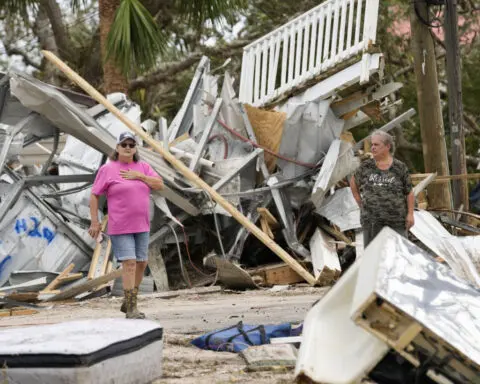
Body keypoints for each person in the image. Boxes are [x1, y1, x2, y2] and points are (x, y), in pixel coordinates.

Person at [88, 131, 164, 319]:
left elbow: (160, 184)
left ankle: (128, 301)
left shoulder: (143, 167)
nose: (128, 148)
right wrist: (95, 222)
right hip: (120, 225)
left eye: (131, 145)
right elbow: (94, 195)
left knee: (141, 263)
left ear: (135, 148)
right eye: (124, 145)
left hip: (142, 224)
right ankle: (131, 308)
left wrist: (140, 176)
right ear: (117, 147)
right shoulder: (108, 169)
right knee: (129, 263)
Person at [350, 130, 414, 247]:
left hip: (396, 221)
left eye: (376, 145)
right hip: (371, 222)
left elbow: (409, 192)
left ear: (388, 146)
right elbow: (353, 182)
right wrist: (360, 201)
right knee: (373, 258)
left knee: (398, 256)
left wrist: (410, 214)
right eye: (372, 144)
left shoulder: (400, 167)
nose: (373, 148)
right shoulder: (366, 166)